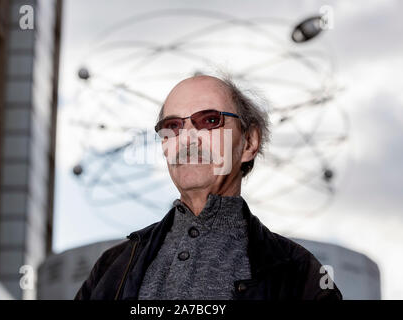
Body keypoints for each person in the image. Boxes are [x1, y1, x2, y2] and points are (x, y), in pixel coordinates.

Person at [74, 75, 342, 300]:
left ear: (249, 142)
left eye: (210, 120)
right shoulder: (111, 268)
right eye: (173, 126)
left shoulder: (300, 273)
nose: (188, 138)